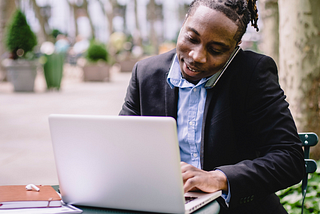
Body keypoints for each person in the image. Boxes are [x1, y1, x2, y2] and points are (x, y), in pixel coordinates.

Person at [119, 0, 305, 213]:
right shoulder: (145, 73)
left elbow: (289, 158)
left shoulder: (253, 74)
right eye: (191, 38)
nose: (196, 56)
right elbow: (121, 147)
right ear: (183, 25)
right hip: (163, 206)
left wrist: (219, 178)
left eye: (216, 50)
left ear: (234, 50)